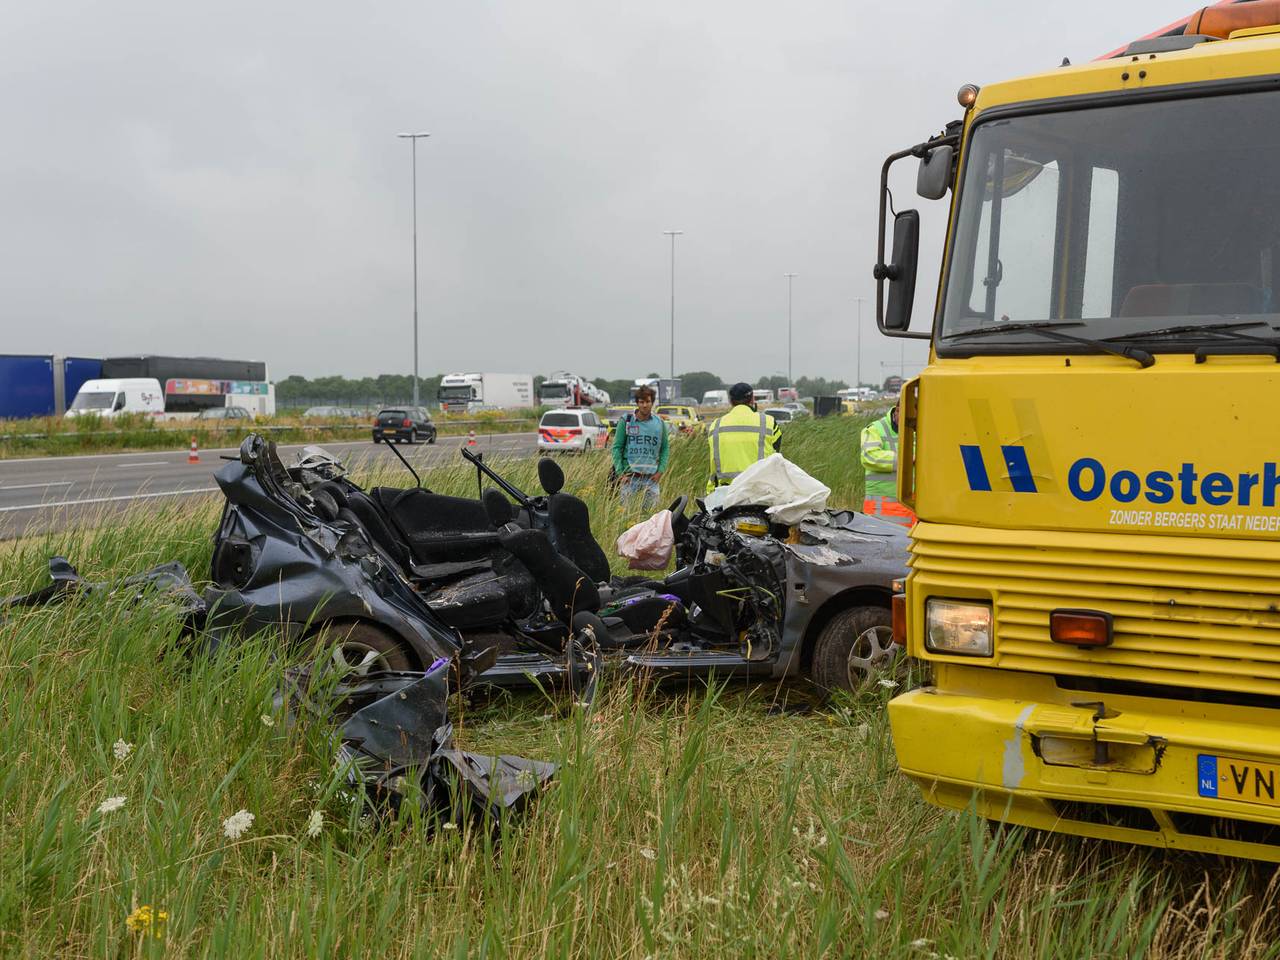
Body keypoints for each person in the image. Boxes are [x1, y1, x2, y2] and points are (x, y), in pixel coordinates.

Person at [706, 382, 782, 491]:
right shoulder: (768, 422)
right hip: (760, 491)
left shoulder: (715, 425)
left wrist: (711, 493)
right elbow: (776, 456)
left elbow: (713, 464)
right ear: (752, 399)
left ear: (730, 401)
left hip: (725, 492)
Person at [611, 385, 670, 509]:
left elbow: (665, 448)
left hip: (651, 479)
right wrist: (621, 473)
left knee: (652, 516)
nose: (644, 405)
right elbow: (616, 447)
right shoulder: (626, 421)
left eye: (648, 401)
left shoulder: (660, 423)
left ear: (652, 403)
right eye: (641, 402)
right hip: (630, 478)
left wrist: (660, 471)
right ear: (637, 403)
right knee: (626, 514)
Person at [860, 404, 915, 527]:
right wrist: (906, 459)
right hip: (882, 515)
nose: (912, 422)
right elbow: (870, 457)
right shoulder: (875, 429)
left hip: (913, 515)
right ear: (898, 411)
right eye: (910, 418)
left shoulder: (920, 429)